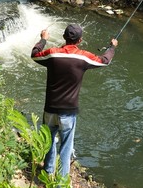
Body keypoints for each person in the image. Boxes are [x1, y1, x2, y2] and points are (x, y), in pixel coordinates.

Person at [31, 23, 118, 178]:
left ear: (64, 37)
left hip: (50, 109)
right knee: (66, 147)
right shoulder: (84, 57)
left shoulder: (52, 54)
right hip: (68, 112)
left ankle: (48, 172)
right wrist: (112, 47)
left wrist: (43, 40)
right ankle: (61, 183)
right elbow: (104, 60)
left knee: (49, 141)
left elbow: (35, 54)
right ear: (80, 40)